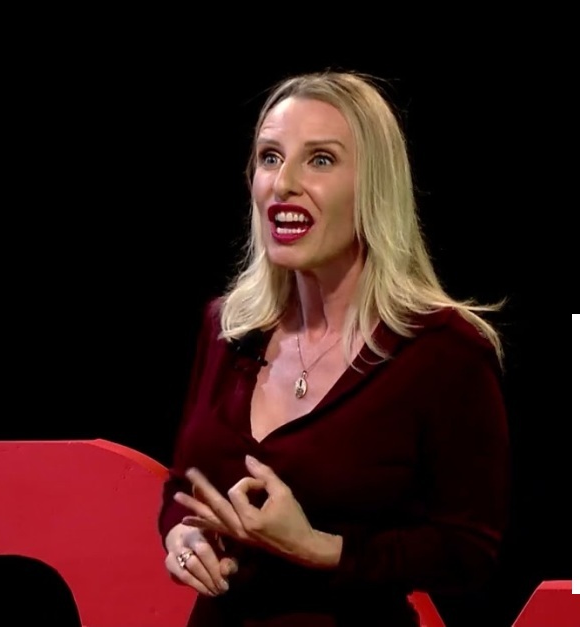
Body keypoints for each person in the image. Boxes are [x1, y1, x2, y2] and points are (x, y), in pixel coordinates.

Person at [157, 70, 510, 627]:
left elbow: (469, 552)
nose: (284, 183)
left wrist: (320, 548)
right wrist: (183, 538)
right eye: (270, 157)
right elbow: (183, 485)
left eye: (320, 160)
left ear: (374, 188)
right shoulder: (227, 328)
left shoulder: (443, 351)